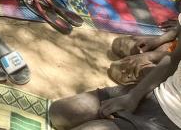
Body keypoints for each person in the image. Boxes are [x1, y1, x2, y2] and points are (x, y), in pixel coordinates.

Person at [49, 16, 181, 130]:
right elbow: (173, 58)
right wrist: (133, 96)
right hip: (161, 92)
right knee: (59, 113)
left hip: (173, 122)